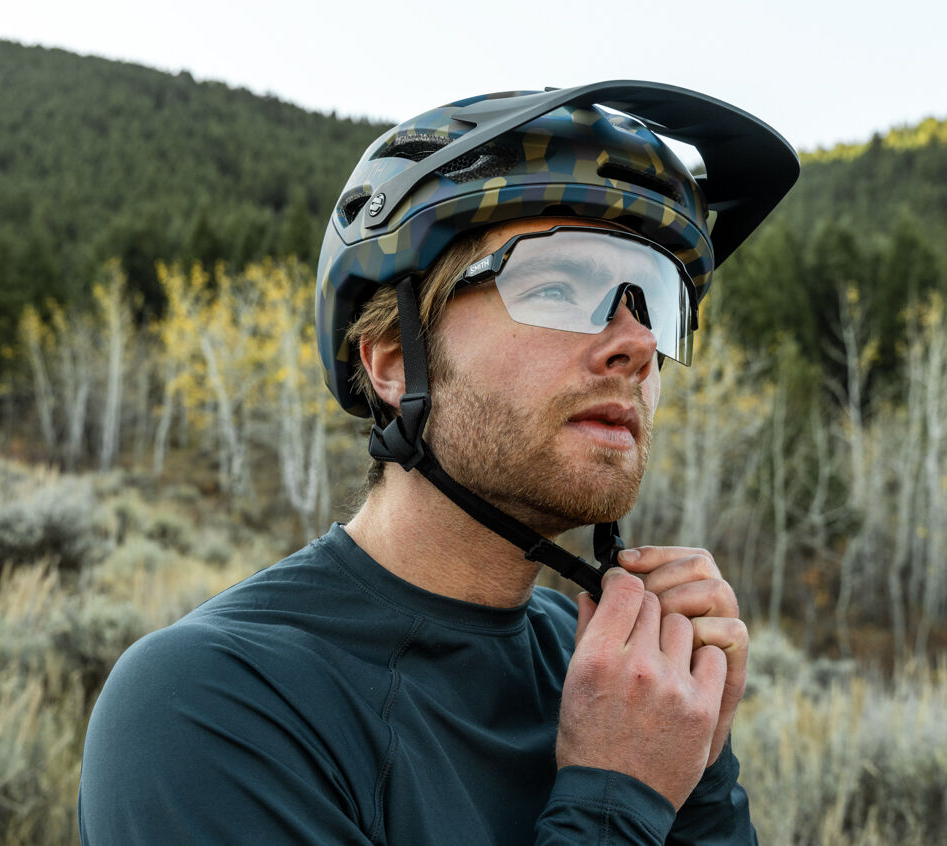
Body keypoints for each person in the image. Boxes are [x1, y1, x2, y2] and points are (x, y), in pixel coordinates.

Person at [79, 80, 798, 844]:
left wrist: (700, 764)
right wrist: (616, 797)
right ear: (392, 361)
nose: (636, 344)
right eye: (557, 286)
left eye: (653, 302)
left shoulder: (619, 670)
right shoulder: (211, 704)